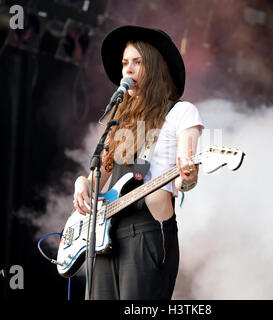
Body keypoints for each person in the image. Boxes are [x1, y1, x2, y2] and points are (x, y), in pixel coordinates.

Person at [73, 25, 204, 300]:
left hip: (148, 229)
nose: (127, 70)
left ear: (154, 68)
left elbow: (185, 178)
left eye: (137, 62)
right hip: (106, 234)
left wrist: (187, 177)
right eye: (124, 63)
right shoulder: (119, 119)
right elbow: (99, 178)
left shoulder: (181, 112)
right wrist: (81, 183)